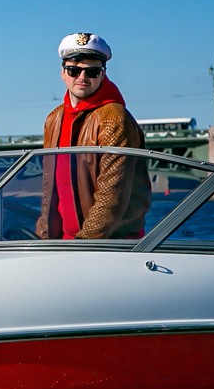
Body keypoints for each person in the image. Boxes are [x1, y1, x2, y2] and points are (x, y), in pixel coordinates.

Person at [37, 32, 151, 240]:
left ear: (103, 75)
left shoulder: (114, 118)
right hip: (64, 245)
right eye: (73, 70)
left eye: (92, 71)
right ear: (63, 73)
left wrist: (84, 244)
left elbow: (112, 193)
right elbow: (48, 189)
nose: (82, 78)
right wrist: (43, 239)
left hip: (110, 246)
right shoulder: (54, 119)